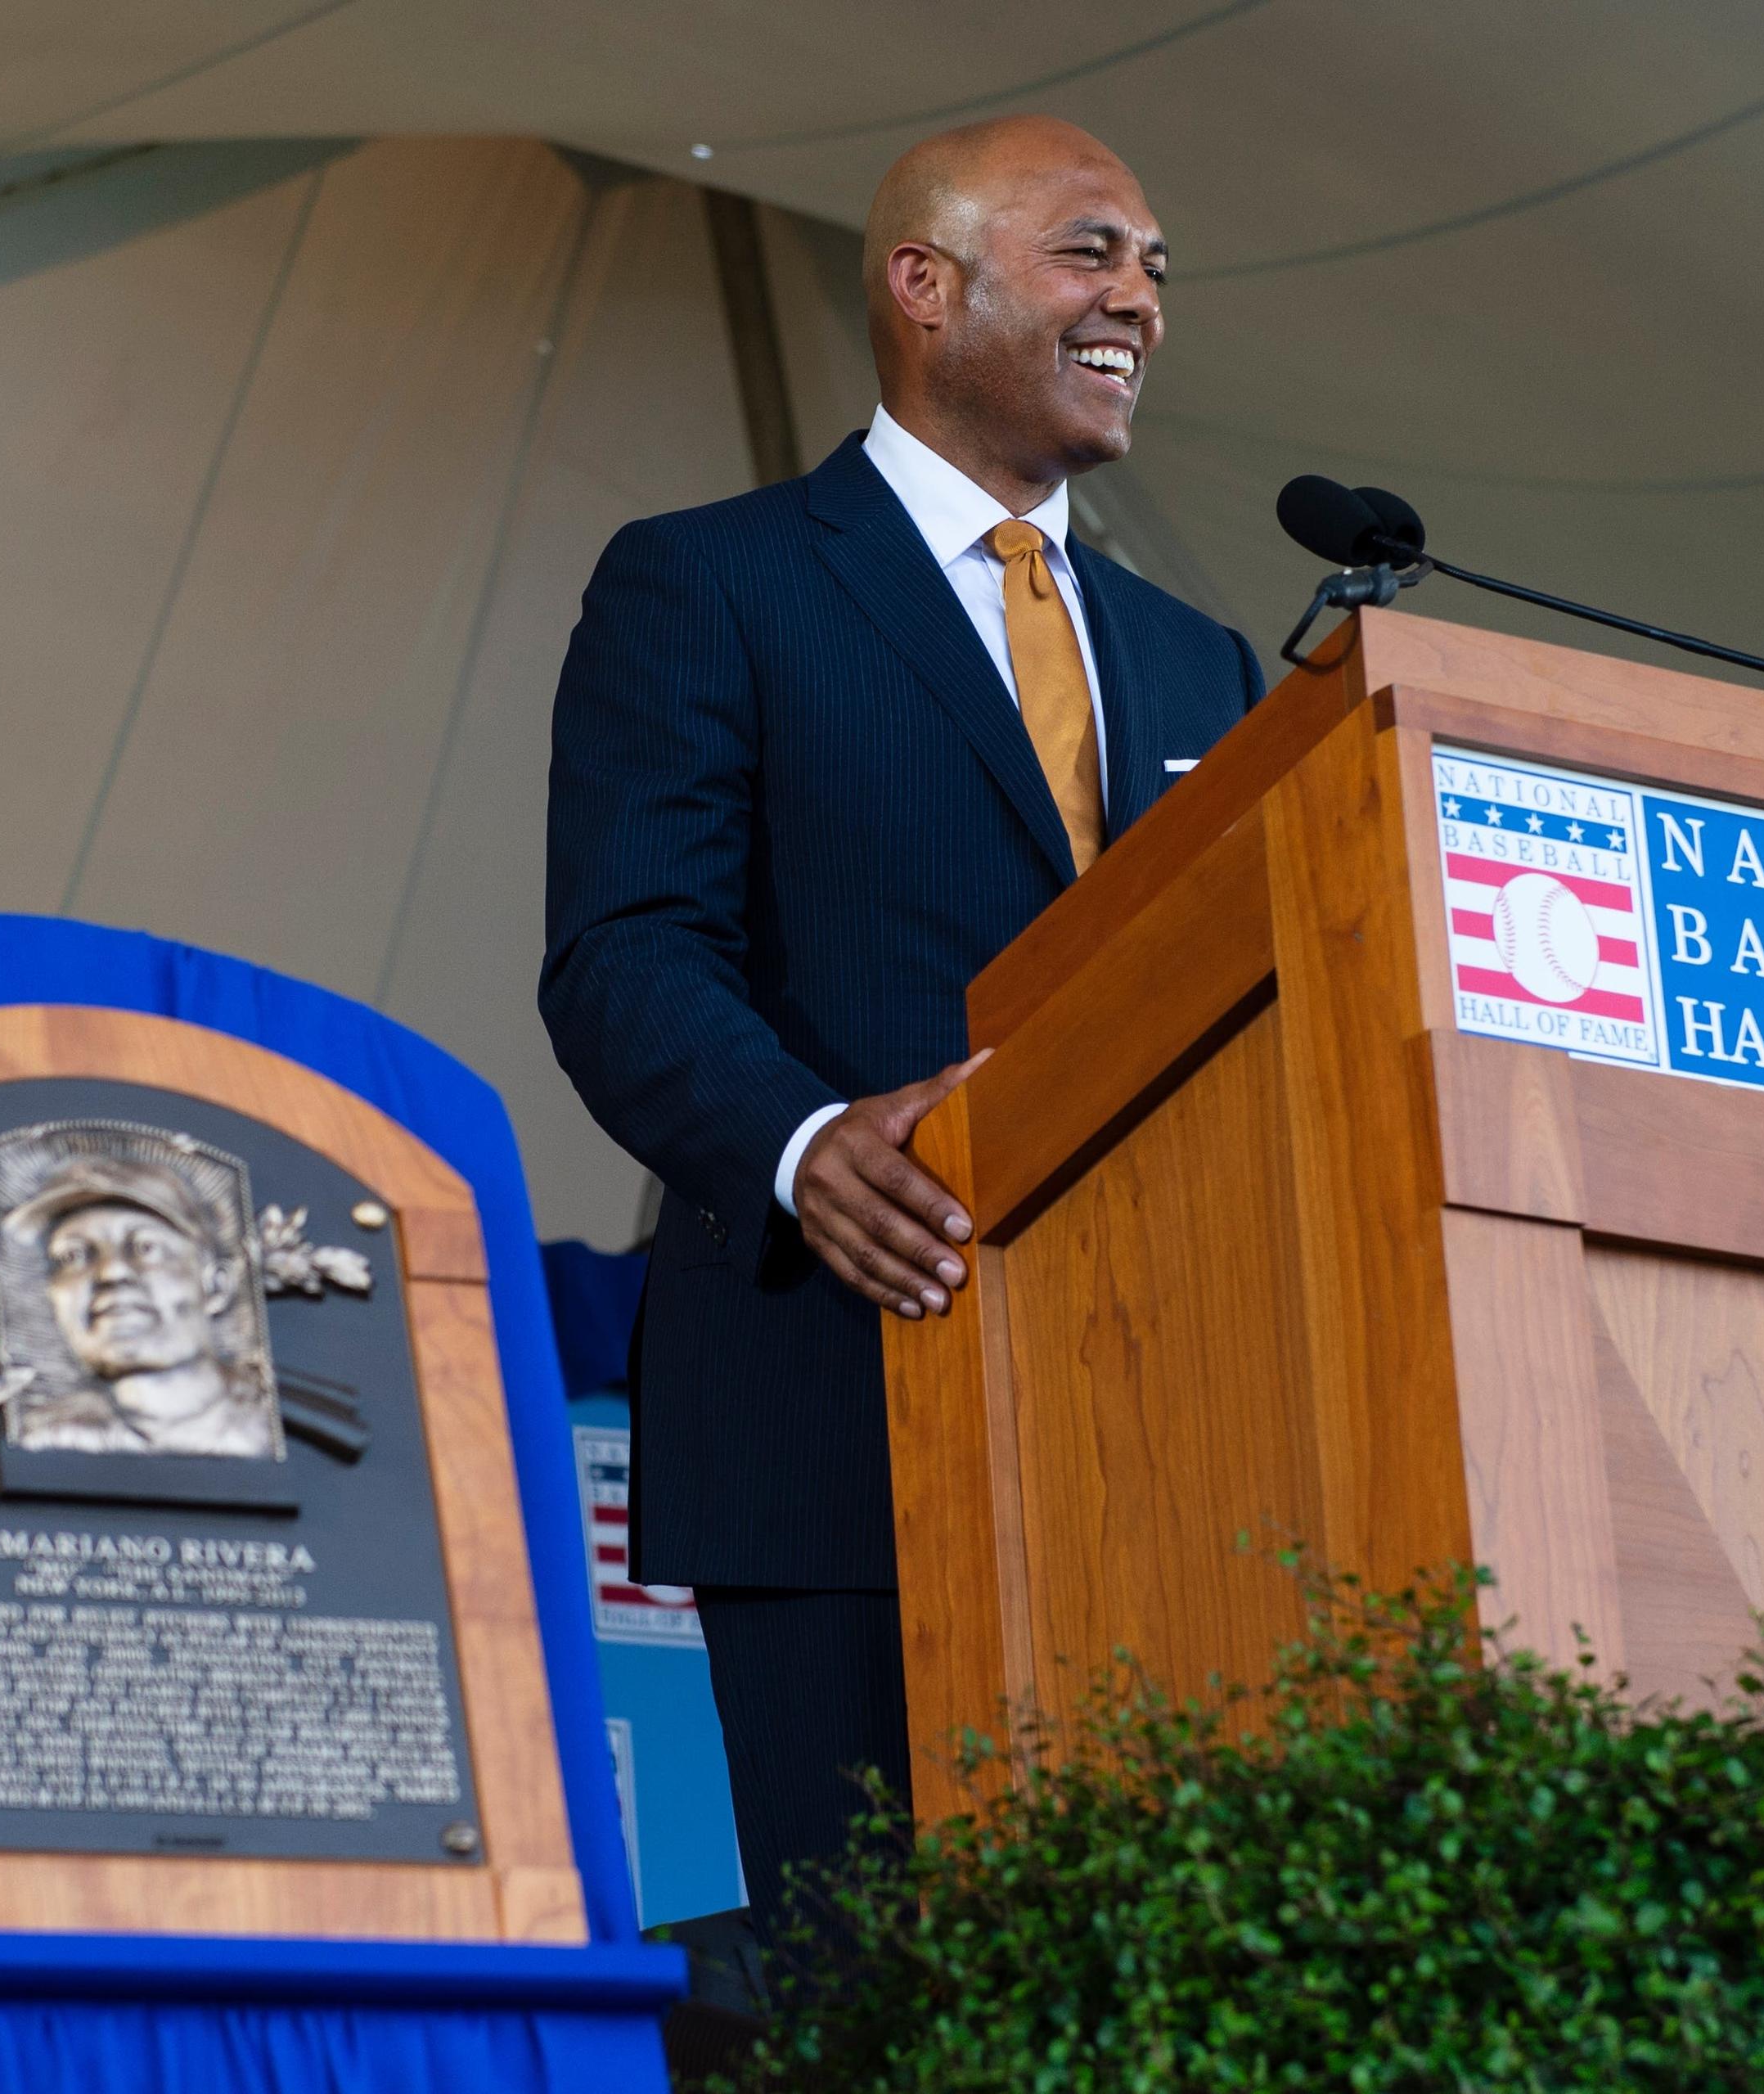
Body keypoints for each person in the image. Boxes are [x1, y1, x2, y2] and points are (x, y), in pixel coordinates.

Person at [539, 115, 1271, 1925]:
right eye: (1092, 252)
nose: (1141, 303)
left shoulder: (1202, 660)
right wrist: (803, 1148)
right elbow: (626, 953)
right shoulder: (710, 579)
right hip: (833, 1395)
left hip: (1170, 1425)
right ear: (923, 287)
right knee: (888, 1982)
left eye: (1160, 269)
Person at [2, 1157, 275, 1457]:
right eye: (73, 1256)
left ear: (216, 1287)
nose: (112, 1273)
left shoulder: (272, 1426)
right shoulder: (44, 1438)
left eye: (147, 1247)